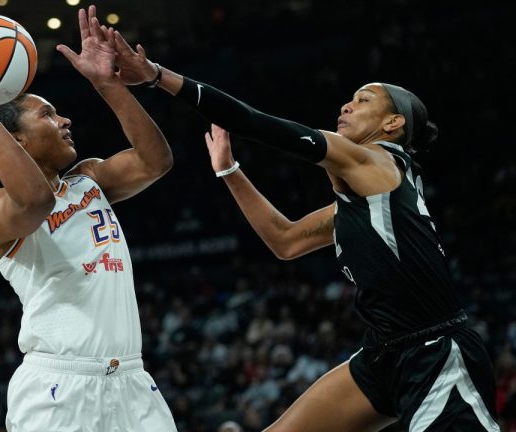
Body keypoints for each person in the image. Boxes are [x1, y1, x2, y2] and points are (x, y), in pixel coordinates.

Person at [106, 24, 500, 432]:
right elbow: (286, 242)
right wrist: (228, 170)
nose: (347, 106)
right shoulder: (366, 199)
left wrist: (156, 75)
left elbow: (253, 121)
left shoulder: (377, 162)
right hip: (384, 352)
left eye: (363, 100)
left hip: (436, 348)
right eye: (348, 99)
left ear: (393, 123)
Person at [0, 5, 177, 432]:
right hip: (59, 385)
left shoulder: (90, 179)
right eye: (46, 114)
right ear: (17, 138)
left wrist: (107, 84)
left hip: (132, 381)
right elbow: (35, 203)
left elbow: (155, 161)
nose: (65, 120)